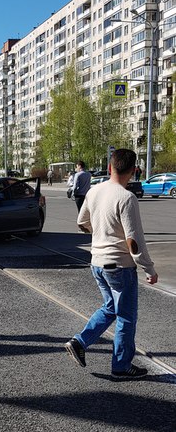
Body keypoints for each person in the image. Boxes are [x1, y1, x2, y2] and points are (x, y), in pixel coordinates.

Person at [64, 148, 158, 378]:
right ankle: (121, 366)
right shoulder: (126, 198)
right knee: (126, 316)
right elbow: (133, 241)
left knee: (110, 308)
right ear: (134, 171)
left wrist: (101, 234)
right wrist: (149, 268)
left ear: (110, 167)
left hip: (97, 262)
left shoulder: (95, 191)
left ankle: (79, 342)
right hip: (120, 266)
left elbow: (81, 221)